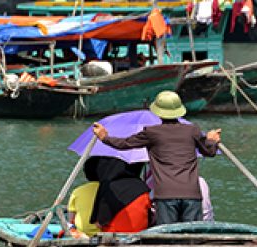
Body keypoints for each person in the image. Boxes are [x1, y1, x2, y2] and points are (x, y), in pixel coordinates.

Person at [93, 90, 221, 225]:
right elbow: (209, 151)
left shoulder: (152, 132)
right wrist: (212, 140)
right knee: (191, 235)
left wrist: (104, 137)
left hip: (166, 195)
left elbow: (124, 144)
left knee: (167, 237)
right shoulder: (192, 130)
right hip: (191, 194)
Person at [87, 156, 151, 233]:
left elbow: (100, 222)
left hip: (115, 238)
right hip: (139, 235)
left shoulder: (109, 187)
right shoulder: (143, 188)